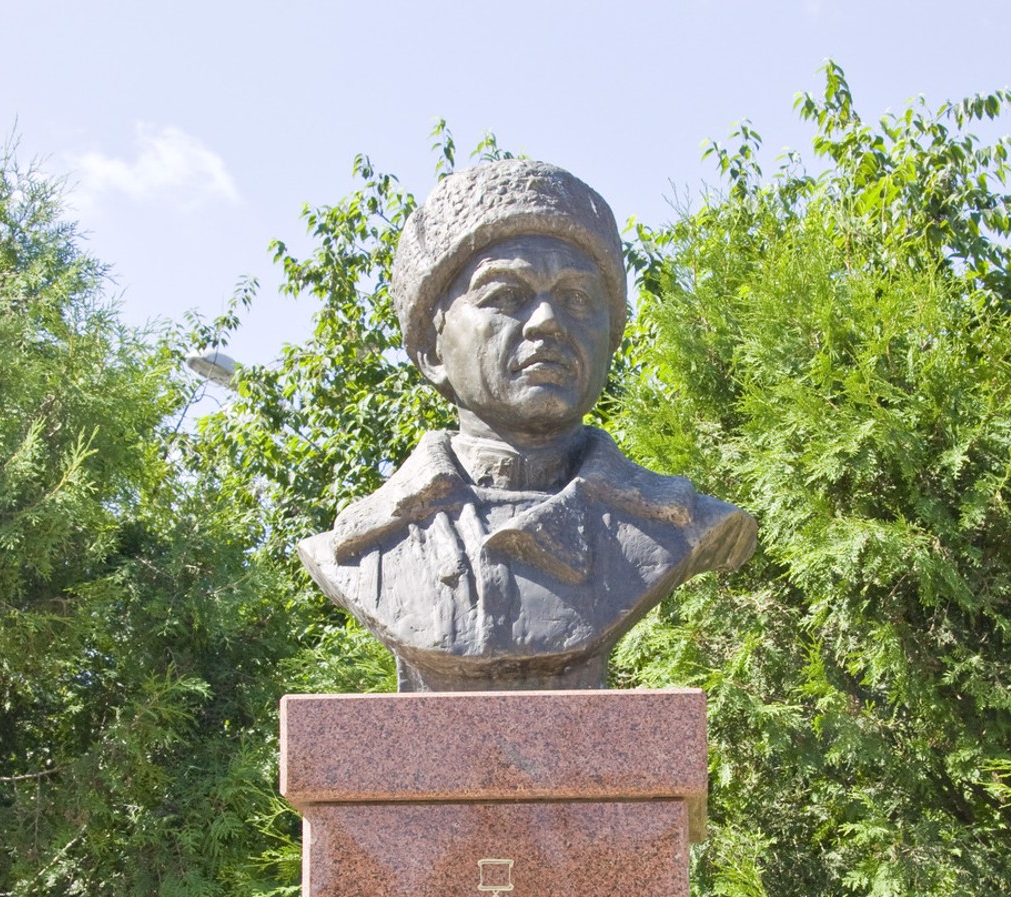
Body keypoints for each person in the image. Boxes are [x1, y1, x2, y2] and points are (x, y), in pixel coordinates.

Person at [298, 160, 756, 691]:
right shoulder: (360, 548)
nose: (547, 322)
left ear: (610, 339)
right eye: (505, 296)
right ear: (430, 350)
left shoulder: (682, 525)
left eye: (578, 298)